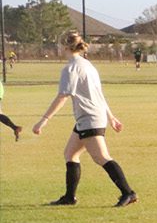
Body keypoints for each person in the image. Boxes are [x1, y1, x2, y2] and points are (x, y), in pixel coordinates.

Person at [30, 32, 138, 207]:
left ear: (65, 46)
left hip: (90, 117)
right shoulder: (87, 65)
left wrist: (44, 120)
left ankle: (128, 193)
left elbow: (63, 96)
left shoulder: (71, 68)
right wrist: (111, 117)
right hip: (90, 117)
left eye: (58, 44)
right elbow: (99, 94)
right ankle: (69, 197)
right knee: (70, 154)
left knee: (101, 157)